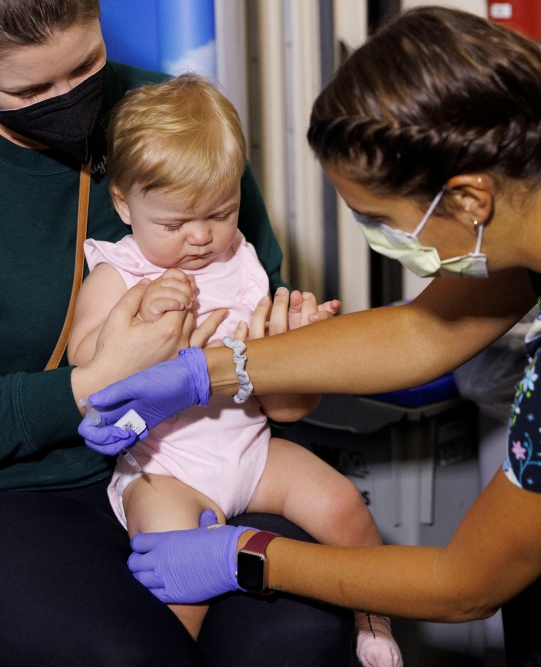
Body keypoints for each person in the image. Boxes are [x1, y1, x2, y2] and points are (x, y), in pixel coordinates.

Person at [80, 7, 541, 666]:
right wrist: (212, 370)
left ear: (467, 199)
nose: (379, 238)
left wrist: (246, 554)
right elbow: (422, 332)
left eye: (378, 217)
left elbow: (464, 584)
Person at [0, 1, 354, 664]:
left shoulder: (171, 124)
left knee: (300, 632)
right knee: (126, 654)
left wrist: (288, 370)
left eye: (86, 65)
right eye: (29, 90)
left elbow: (275, 370)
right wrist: (98, 380)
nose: (72, 103)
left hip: (181, 461)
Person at [67, 74, 401, 666]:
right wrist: (144, 319)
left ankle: (373, 619)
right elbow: (84, 361)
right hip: (167, 468)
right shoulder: (118, 272)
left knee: (345, 505)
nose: (200, 238)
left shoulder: (243, 262)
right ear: (123, 203)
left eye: (220, 212)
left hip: (252, 449)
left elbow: (282, 396)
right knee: (176, 573)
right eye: (173, 225)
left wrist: (297, 345)